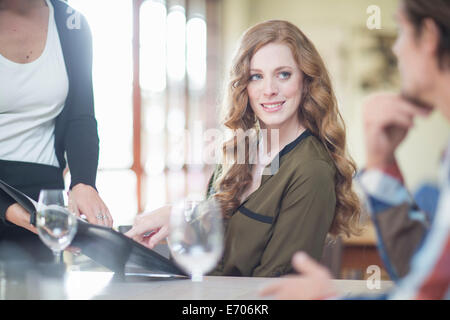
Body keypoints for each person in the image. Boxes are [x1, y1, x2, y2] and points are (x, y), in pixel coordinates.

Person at [126, 20, 361, 277]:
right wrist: (178, 219)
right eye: (256, 76)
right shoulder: (241, 149)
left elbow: (274, 286)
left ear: (306, 81)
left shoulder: (311, 169)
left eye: (283, 74)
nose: (269, 90)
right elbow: (213, 249)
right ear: (244, 86)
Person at [260, 0, 450, 299]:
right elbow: (424, 278)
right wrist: (381, 164)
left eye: (400, 31)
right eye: (256, 76)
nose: (396, 49)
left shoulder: (312, 167)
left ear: (428, 36)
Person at [0, 0, 112, 262]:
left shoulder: (72, 24)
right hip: (20, 207)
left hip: (44, 198)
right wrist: (18, 212)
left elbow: (81, 117)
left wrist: (83, 183)